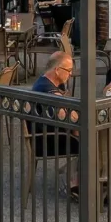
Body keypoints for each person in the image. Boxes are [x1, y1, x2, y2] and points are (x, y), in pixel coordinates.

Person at [30, 51, 79, 197]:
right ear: (57, 70)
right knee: (93, 141)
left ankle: (78, 176)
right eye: (69, 71)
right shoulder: (47, 89)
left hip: (48, 133)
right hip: (47, 140)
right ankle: (77, 183)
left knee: (86, 134)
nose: (71, 74)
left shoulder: (45, 82)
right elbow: (70, 118)